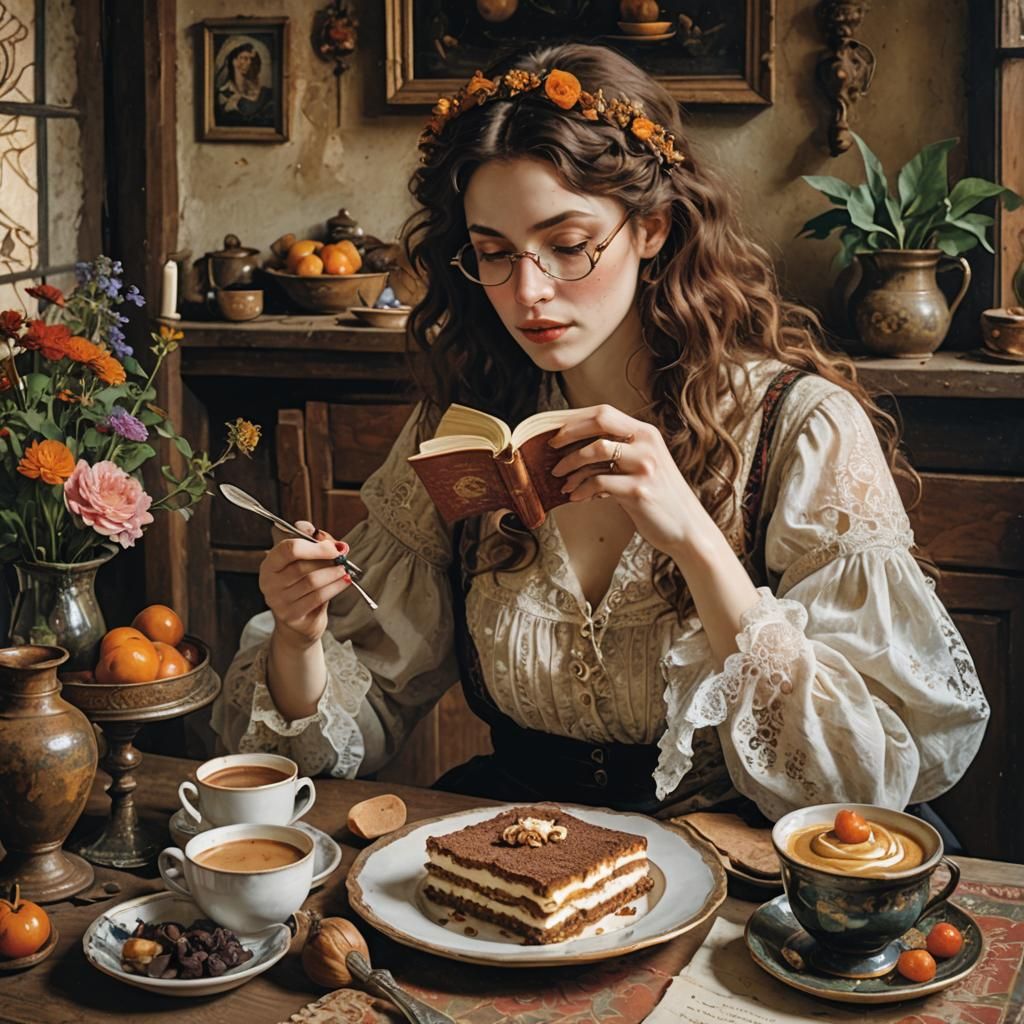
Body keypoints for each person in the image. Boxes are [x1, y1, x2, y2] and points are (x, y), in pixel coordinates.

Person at [212, 43, 989, 826]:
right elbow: (360, 720)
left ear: (651, 228)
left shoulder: (800, 425)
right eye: (493, 253)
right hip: (519, 850)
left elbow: (864, 779)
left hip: (739, 859)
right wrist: (298, 637)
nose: (528, 291)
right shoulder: (464, 431)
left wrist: (694, 538)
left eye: (569, 244)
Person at [216, 41, 274, 126]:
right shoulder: (224, 94)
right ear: (234, 61)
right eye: (244, 58)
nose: (249, 62)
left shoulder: (265, 92)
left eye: (251, 59)